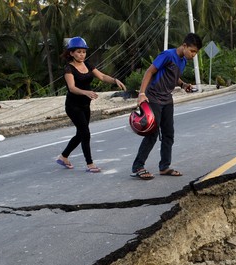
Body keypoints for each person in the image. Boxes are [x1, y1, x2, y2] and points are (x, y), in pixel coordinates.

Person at [131, 32, 203, 180]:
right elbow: (149, 71)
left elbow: (174, 76)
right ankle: (138, 166)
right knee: (152, 133)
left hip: (167, 99)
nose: (193, 55)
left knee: (168, 133)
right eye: (192, 50)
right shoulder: (168, 55)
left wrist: (183, 84)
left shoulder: (182, 60)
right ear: (184, 46)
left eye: (196, 52)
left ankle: (164, 167)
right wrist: (141, 94)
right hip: (154, 97)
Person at [56, 36, 126, 173]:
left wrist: (115, 80)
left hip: (85, 105)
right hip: (73, 106)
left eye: (83, 52)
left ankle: (63, 157)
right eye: (78, 52)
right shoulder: (68, 69)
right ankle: (90, 164)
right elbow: (72, 88)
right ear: (71, 53)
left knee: (81, 133)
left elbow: (102, 76)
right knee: (85, 133)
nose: (82, 54)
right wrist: (86, 92)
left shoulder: (87, 64)